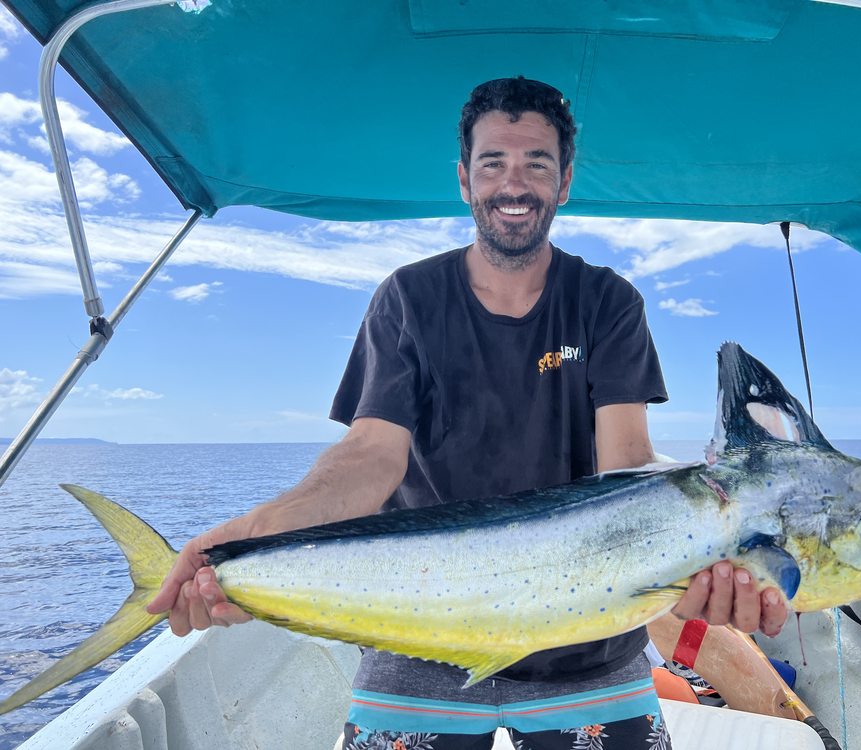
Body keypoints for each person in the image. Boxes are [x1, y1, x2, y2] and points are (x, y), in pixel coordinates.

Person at [148, 76, 787, 750]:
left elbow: (625, 464)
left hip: (590, 648)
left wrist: (716, 535)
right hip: (415, 641)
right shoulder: (408, 298)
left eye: (536, 163)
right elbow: (372, 455)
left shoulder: (607, 302)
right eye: (494, 164)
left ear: (564, 181)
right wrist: (259, 529)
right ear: (464, 179)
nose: (514, 184)